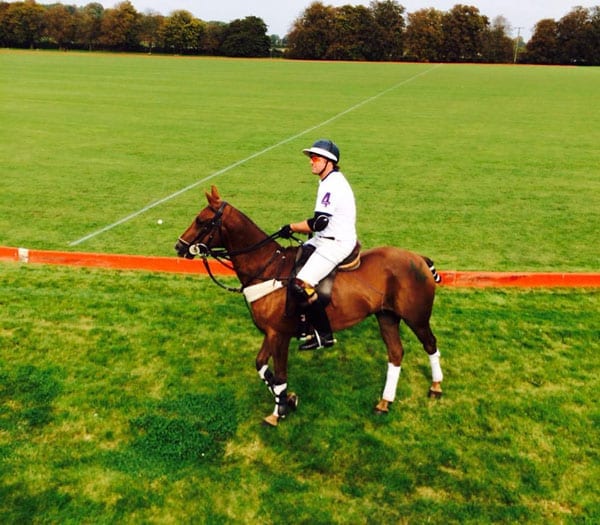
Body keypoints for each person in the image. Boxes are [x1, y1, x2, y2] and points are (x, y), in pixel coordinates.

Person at [278, 139, 357, 350]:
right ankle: (303, 324)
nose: (310, 162)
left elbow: (320, 222)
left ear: (328, 162)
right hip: (324, 238)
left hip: (336, 243)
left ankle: (324, 334)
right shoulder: (328, 180)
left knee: (301, 283)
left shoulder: (332, 185)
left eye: (315, 158)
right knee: (292, 262)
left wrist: (292, 227)